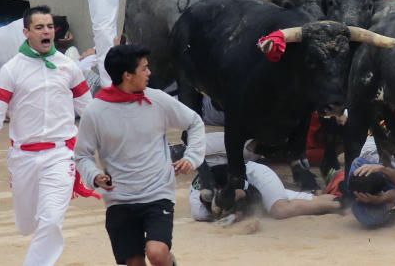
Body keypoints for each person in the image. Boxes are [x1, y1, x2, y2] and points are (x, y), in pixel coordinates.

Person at [75, 44, 206, 266]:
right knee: (134, 263)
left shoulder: (157, 100)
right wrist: (94, 176)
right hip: (119, 198)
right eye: (144, 69)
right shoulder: (95, 111)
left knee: (156, 253)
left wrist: (192, 157)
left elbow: (194, 122)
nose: (149, 73)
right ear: (128, 75)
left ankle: (167, 260)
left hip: (157, 193)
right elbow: (82, 155)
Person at [0, 6, 93, 266]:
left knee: (51, 221)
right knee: (27, 224)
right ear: (26, 32)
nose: (46, 32)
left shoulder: (69, 66)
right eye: (39, 27)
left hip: (60, 154)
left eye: (50, 27)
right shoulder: (10, 70)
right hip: (22, 157)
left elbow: (90, 109)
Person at [189, 132, 341, 221]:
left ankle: (341, 205)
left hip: (255, 176)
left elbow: (252, 195)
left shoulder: (216, 174)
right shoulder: (199, 212)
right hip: (244, 182)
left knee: (279, 210)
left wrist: (239, 197)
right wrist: (237, 216)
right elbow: (242, 212)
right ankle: (338, 200)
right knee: (301, 199)